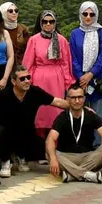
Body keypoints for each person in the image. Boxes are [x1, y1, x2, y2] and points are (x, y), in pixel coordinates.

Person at [0, 65, 67, 175]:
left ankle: (22, 157)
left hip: (26, 133)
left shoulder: (35, 92)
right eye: (22, 79)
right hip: (5, 135)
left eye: (28, 77)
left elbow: (57, 102)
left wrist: (79, 107)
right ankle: (6, 161)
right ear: (14, 81)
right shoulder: (3, 95)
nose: (27, 81)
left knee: (41, 145)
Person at [21, 11, 74, 139]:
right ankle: (39, 144)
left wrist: (68, 84)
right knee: (40, 111)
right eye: (45, 21)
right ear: (41, 23)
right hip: (39, 79)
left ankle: (56, 142)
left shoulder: (61, 40)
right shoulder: (34, 40)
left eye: (51, 21)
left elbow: (66, 63)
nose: (48, 24)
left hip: (57, 79)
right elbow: (28, 63)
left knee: (56, 110)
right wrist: (28, 82)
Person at [45, 84, 102, 183]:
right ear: (67, 99)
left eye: (80, 97)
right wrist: (54, 158)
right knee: (49, 152)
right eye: (73, 98)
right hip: (66, 157)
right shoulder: (62, 117)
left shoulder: (91, 116)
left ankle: (72, 175)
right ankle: (86, 174)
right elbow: (51, 138)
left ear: (84, 98)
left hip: (88, 157)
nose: (77, 101)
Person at [70, 2, 102, 114]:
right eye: (85, 14)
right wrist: (82, 78)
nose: (88, 17)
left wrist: (90, 74)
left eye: (91, 14)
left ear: (96, 15)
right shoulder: (75, 33)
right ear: (80, 14)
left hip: (97, 80)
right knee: (78, 116)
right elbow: (72, 57)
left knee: (97, 116)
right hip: (79, 81)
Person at [0, 2, 29, 68]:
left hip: (21, 67)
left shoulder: (23, 29)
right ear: (3, 13)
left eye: (16, 10)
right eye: (10, 11)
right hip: (4, 67)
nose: (14, 13)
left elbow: (28, 50)